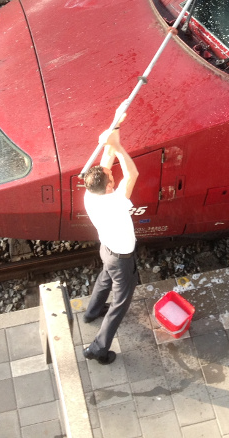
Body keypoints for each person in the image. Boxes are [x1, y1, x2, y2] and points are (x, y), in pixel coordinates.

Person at [80, 115, 139, 365]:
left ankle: (91, 312)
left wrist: (115, 125)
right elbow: (132, 172)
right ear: (107, 187)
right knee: (120, 304)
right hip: (121, 258)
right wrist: (118, 145)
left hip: (107, 250)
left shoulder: (90, 194)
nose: (114, 180)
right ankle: (98, 348)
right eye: (111, 181)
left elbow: (106, 161)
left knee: (105, 278)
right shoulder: (115, 202)